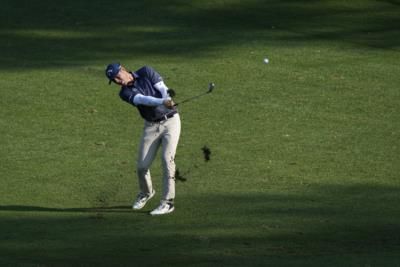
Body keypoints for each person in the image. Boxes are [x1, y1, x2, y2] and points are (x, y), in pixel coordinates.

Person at [105, 63, 181, 216]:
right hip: (151, 127)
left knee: (167, 160)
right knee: (142, 166)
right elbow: (143, 99)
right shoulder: (124, 93)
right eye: (114, 80)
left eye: (118, 76)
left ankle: (167, 202)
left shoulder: (146, 71)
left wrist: (167, 97)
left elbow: (161, 87)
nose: (118, 82)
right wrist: (162, 102)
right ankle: (146, 192)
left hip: (171, 122)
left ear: (123, 69)